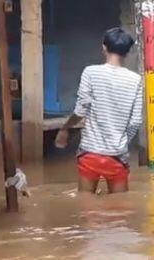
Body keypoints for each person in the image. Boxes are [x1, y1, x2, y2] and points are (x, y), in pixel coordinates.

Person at [55, 27, 142, 194]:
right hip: (117, 156)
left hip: (90, 153)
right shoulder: (135, 80)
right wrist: (121, 142)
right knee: (120, 211)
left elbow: (80, 111)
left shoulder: (90, 72)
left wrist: (65, 128)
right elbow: (135, 121)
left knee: (87, 209)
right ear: (128, 52)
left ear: (104, 48)